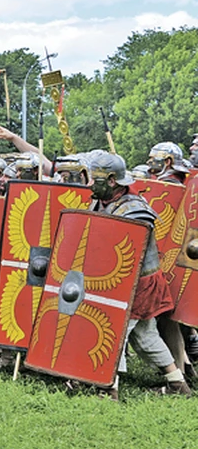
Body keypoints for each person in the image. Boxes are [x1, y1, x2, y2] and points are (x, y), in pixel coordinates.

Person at [86, 151, 191, 399]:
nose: (90, 184)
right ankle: (177, 384)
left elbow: (131, 253)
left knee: (116, 331)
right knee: (145, 336)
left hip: (138, 284)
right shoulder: (100, 202)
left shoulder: (134, 209)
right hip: (120, 282)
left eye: (96, 179)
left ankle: (109, 387)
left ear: (112, 180)